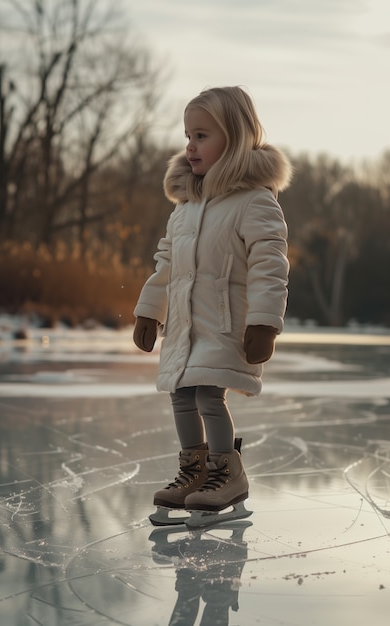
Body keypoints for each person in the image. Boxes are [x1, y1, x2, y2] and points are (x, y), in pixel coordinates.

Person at [133, 86, 291, 528]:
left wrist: (264, 322)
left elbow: (270, 265)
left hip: (225, 324)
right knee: (181, 395)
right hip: (185, 325)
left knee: (208, 395)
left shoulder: (255, 201)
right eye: (188, 135)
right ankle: (195, 472)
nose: (190, 146)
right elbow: (166, 263)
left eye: (202, 135)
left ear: (236, 138)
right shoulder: (185, 208)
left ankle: (227, 472)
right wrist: (150, 309)